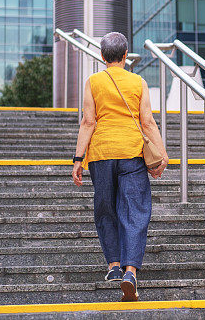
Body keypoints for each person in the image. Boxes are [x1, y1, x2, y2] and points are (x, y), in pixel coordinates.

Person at [71, 32, 169, 302]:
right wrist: (162, 153)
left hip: (101, 154)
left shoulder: (92, 82)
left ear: (103, 57)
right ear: (126, 56)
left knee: (105, 209)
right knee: (135, 211)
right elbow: (147, 121)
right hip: (131, 153)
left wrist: (78, 159)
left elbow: (88, 122)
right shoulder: (138, 81)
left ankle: (113, 265)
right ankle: (130, 272)